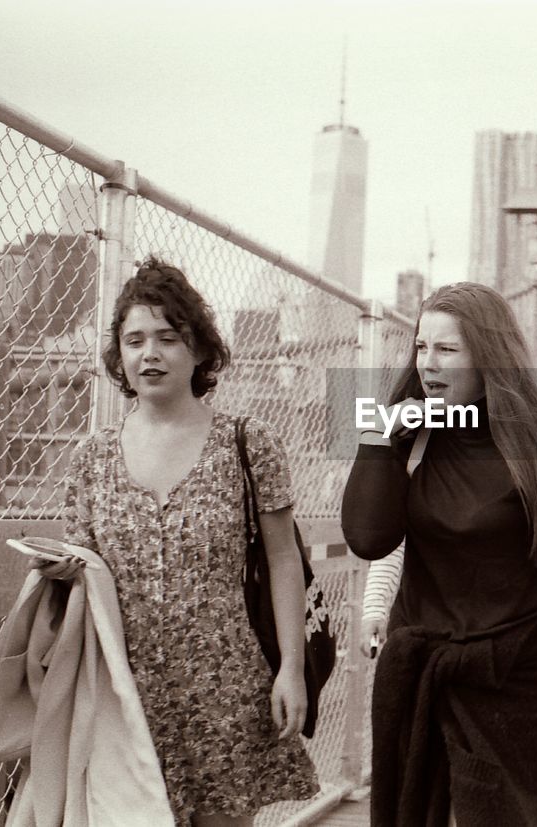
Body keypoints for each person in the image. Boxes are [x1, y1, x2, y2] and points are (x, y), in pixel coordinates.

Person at [342, 282, 537, 826]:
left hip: (511, 683)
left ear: (489, 355)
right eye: (422, 347)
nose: (428, 363)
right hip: (418, 676)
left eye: (447, 349)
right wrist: (379, 437)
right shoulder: (410, 435)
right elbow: (369, 540)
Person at [31, 258, 319, 825]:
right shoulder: (90, 458)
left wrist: (291, 668)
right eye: (134, 340)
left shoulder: (249, 442)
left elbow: (285, 559)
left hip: (223, 685)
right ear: (118, 354)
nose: (150, 354)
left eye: (168, 338)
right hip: (122, 692)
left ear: (199, 350)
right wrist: (65, 570)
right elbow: (85, 567)